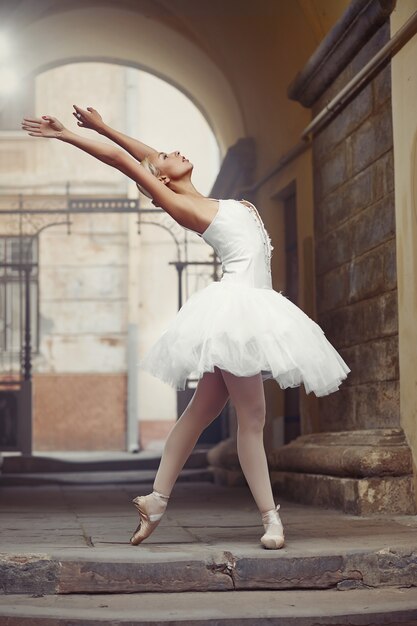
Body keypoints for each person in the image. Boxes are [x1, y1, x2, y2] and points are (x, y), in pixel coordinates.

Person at [21, 105, 351, 550]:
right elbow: (128, 163)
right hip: (237, 311)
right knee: (251, 418)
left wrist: (103, 125)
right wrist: (68, 136)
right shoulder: (182, 206)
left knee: (200, 412)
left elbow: (144, 156)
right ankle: (271, 518)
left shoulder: (209, 197)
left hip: (250, 308)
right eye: (165, 158)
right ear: (163, 178)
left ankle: (156, 501)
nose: (171, 151)